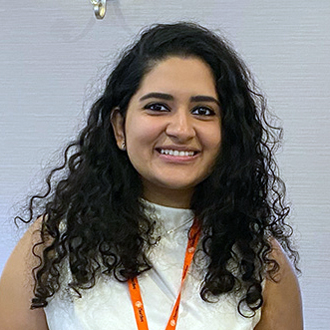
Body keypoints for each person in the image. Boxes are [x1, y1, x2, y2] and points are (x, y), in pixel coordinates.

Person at [0, 22, 303, 330]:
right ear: (119, 127)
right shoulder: (52, 244)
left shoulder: (260, 260)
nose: (182, 129)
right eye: (158, 107)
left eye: (203, 111)